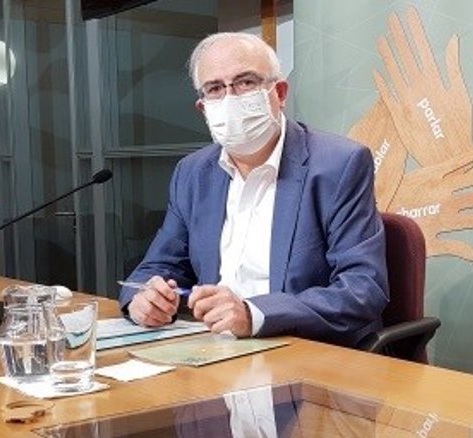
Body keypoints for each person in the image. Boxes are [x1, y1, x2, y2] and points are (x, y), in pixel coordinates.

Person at [118, 32, 388, 348]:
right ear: (203, 108)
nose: (230, 98)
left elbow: (362, 288)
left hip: (306, 349)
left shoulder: (338, 164)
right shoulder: (192, 173)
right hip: (215, 349)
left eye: (245, 82)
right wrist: (142, 299)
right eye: (215, 88)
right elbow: (158, 266)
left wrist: (255, 314)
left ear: (280, 93)